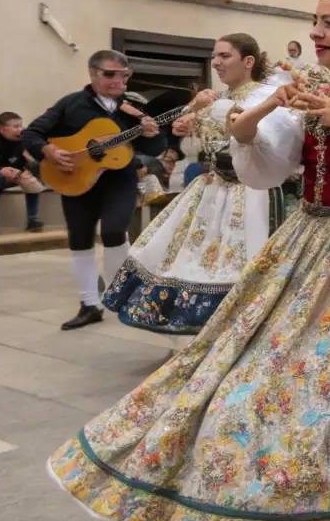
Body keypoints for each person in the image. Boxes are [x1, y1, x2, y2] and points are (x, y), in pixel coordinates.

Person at [48, 0, 330, 521]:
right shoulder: (309, 96)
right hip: (307, 237)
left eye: (329, 22)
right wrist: (265, 115)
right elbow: (265, 168)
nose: (316, 32)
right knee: (250, 361)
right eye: (313, 21)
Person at [102, 34, 289, 337]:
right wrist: (189, 116)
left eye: (224, 56)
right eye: (215, 56)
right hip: (212, 189)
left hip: (251, 192)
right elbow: (183, 130)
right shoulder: (215, 98)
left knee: (239, 263)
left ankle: (242, 332)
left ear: (248, 62)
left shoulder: (263, 96)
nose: (216, 62)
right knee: (186, 257)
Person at [23, 51, 163, 331]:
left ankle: (119, 295)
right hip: (75, 180)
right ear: (93, 73)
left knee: (113, 231)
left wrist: (152, 134)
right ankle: (89, 304)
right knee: (80, 239)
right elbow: (32, 133)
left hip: (119, 180)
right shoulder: (71, 104)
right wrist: (48, 150)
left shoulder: (133, 106)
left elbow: (154, 149)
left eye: (124, 74)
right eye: (110, 74)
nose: (118, 80)